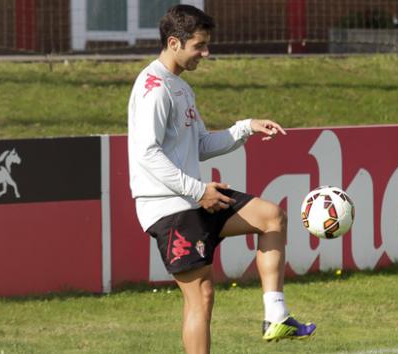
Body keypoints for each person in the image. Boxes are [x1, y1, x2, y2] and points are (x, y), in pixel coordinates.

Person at [127, 5, 316, 353]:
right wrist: (198, 190)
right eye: (199, 45)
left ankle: (276, 316)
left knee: (271, 216)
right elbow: (146, 154)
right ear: (174, 42)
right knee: (201, 297)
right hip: (168, 206)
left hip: (193, 197)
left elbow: (199, 144)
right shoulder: (153, 88)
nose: (206, 53)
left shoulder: (180, 87)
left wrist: (246, 127)